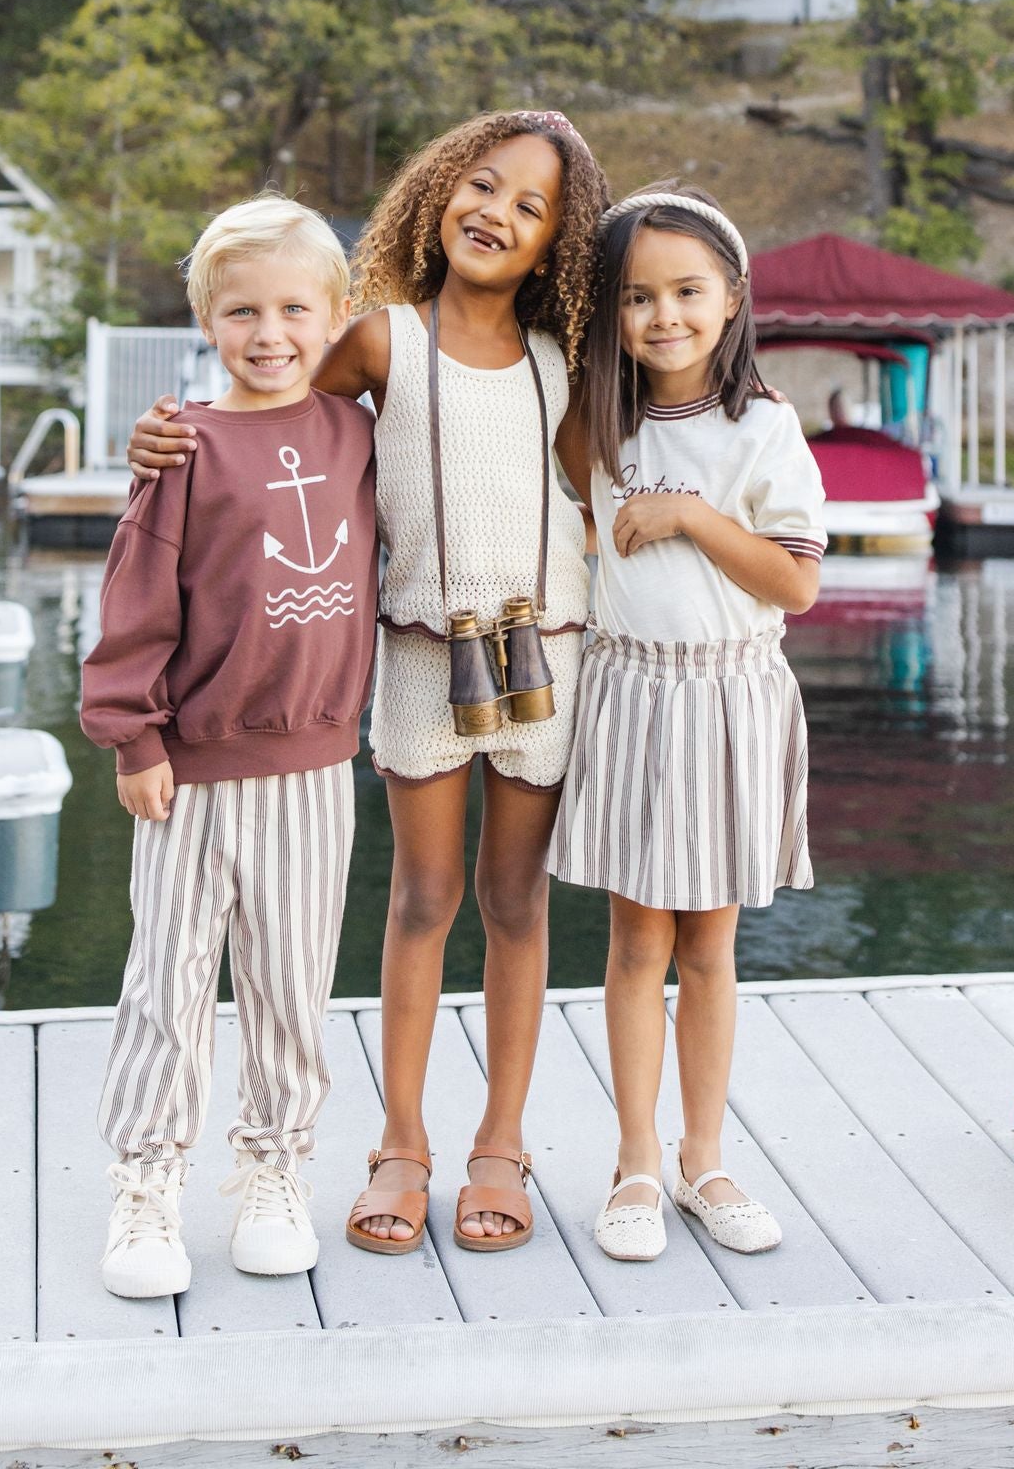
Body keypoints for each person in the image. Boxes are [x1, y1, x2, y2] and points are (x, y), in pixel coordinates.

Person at [126, 110, 609, 1254]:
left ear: (556, 245)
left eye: (529, 207)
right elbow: (274, 426)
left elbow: (609, 482)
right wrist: (167, 438)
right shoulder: (379, 341)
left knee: (515, 903)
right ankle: (400, 1143)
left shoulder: (566, 364)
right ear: (439, 192)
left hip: (544, 660)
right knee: (420, 899)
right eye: (481, 186)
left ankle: (501, 1142)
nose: (496, 213)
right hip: (414, 657)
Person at [80, 196, 378, 1296]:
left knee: (292, 983)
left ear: (336, 312)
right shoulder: (183, 447)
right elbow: (137, 598)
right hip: (193, 767)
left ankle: (275, 1165)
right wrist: (131, 733)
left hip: (312, 766)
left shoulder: (359, 436)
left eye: (295, 308)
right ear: (206, 318)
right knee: (167, 980)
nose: (269, 333)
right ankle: (147, 1181)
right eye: (241, 311)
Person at [547, 183, 825, 1263]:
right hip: (631, 696)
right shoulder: (593, 421)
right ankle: (633, 1162)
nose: (662, 315)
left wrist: (694, 518)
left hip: (724, 700)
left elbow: (795, 587)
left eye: (685, 291)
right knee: (633, 941)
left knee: (708, 943)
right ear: (607, 314)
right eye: (635, 297)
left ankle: (704, 1156)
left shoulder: (761, 427)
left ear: (731, 296)